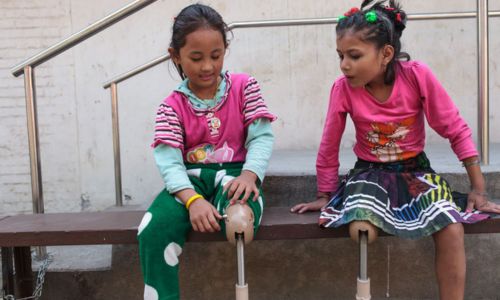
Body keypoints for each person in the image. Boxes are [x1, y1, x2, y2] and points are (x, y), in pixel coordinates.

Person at [291, 1, 500, 299]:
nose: (344, 65)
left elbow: (454, 127)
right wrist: (325, 194)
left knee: (452, 228)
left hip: (415, 172)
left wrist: (478, 187)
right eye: (340, 56)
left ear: (386, 53)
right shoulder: (342, 88)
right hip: (370, 175)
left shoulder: (417, 76)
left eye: (354, 55)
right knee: (362, 227)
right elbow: (329, 145)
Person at [137, 4, 276, 299]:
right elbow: (170, 164)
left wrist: (251, 176)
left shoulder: (244, 86)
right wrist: (193, 201)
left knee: (240, 220)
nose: (207, 67)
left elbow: (262, 136)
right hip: (190, 182)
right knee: (152, 229)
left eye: (216, 55)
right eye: (196, 58)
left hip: (238, 175)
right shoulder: (170, 107)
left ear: (225, 49)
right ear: (175, 55)